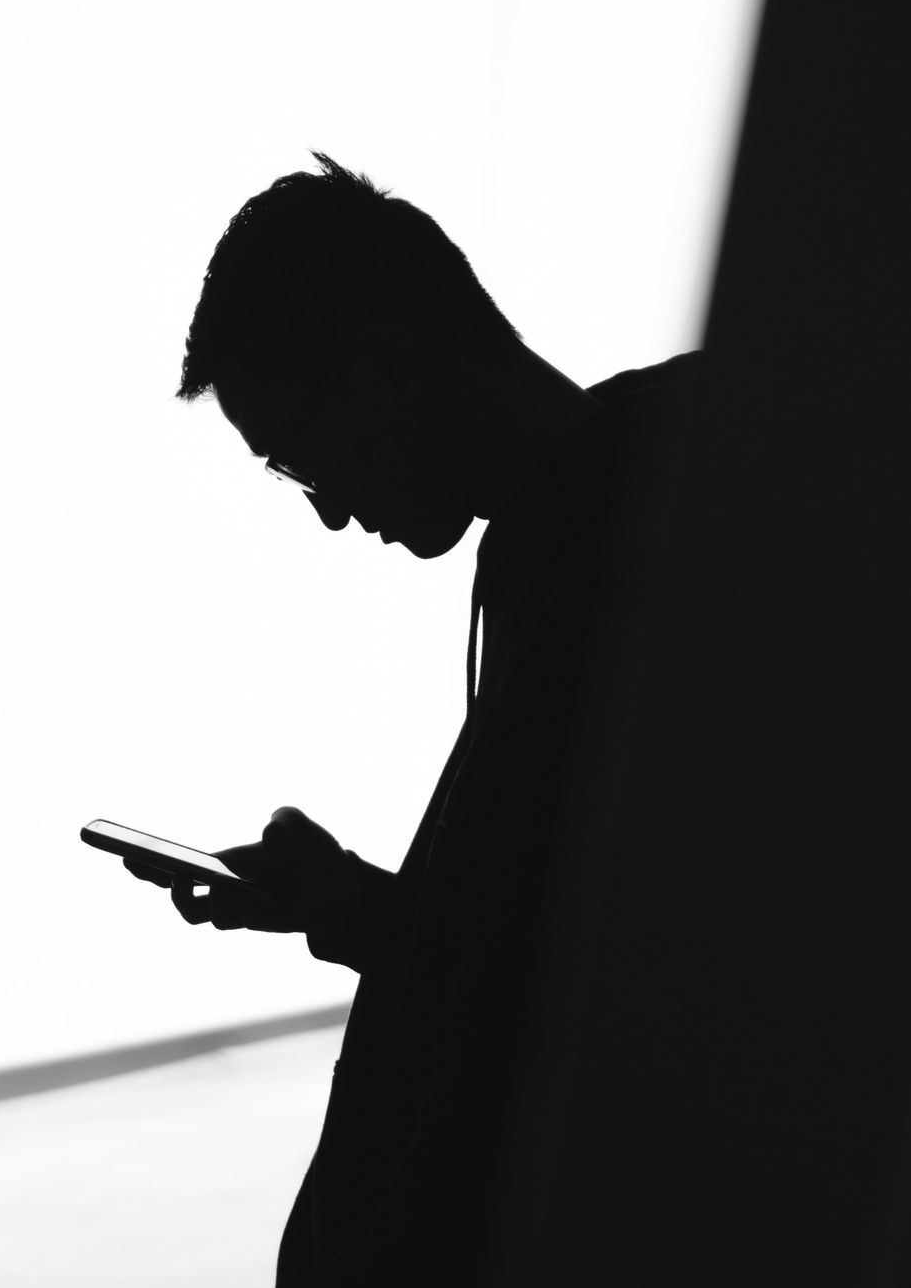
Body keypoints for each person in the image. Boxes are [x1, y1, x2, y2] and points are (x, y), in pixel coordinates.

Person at [128, 154, 698, 1284]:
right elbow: (535, 952)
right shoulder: (544, 548)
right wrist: (356, 906)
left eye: (301, 460)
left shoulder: (654, 531)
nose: (333, 513)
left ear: (388, 363)